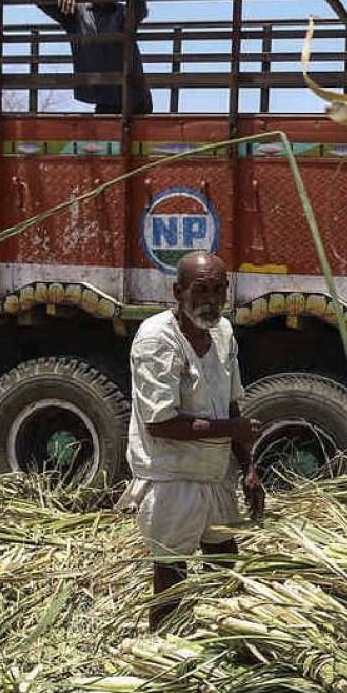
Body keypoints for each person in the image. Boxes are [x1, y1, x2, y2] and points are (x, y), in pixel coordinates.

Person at [122, 251, 264, 629]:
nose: (210, 300)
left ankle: (226, 639)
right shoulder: (157, 340)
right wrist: (233, 432)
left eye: (219, 290)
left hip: (214, 472)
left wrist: (248, 466)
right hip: (172, 477)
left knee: (225, 564)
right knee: (172, 575)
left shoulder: (223, 332)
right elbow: (160, 423)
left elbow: (231, 404)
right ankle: (164, 651)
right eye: (200, 290)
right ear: (178, 291)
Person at [28, 0, 152, 116]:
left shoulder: (124, 13)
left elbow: (139, 7)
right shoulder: (76, 13)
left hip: (136, 101)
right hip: (105, 103)